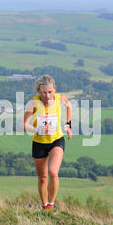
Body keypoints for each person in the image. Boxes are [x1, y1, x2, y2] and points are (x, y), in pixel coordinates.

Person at [23, 75, 72, 210]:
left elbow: (69, 106)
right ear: (38, 91)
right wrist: (36, 129)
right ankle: (44, 206)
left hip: (56, 140)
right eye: (44, 92)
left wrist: (68, 125)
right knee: (43, 177)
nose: (47, 95)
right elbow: (24, 125)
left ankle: (51, 204)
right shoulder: (32, 103)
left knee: (53, 172)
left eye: (50, 92)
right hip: (39, 142)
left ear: (54, 89)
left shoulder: (60, 98)